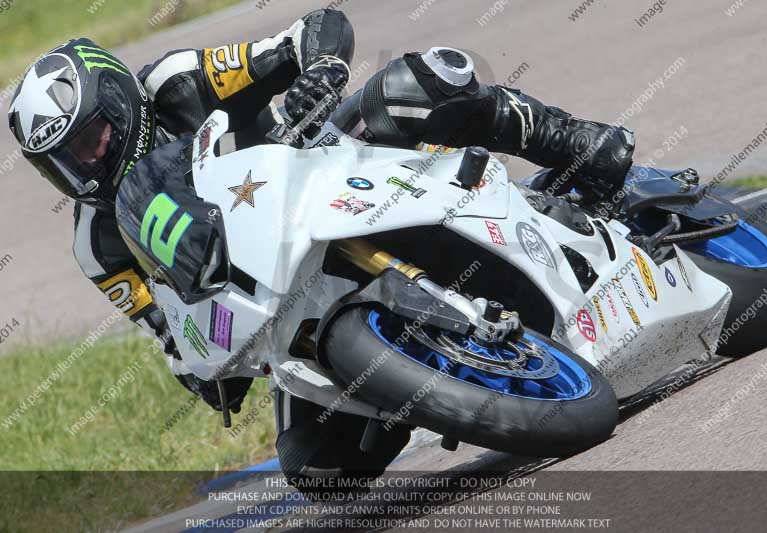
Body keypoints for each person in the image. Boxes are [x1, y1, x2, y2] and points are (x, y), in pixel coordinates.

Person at [7, 12, 634, 490]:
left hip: (328, 170)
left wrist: (320, 72)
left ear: (117, 100)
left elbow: (311, 31)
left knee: (416, 83)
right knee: (318, 468)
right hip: (280, 309)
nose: (82, 165)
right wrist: (203, 368)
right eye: (61, 160)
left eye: (89, 139)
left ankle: (576, 144)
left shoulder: (177, 84)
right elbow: (163, 328)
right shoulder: (98, 246)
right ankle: (435, 381)